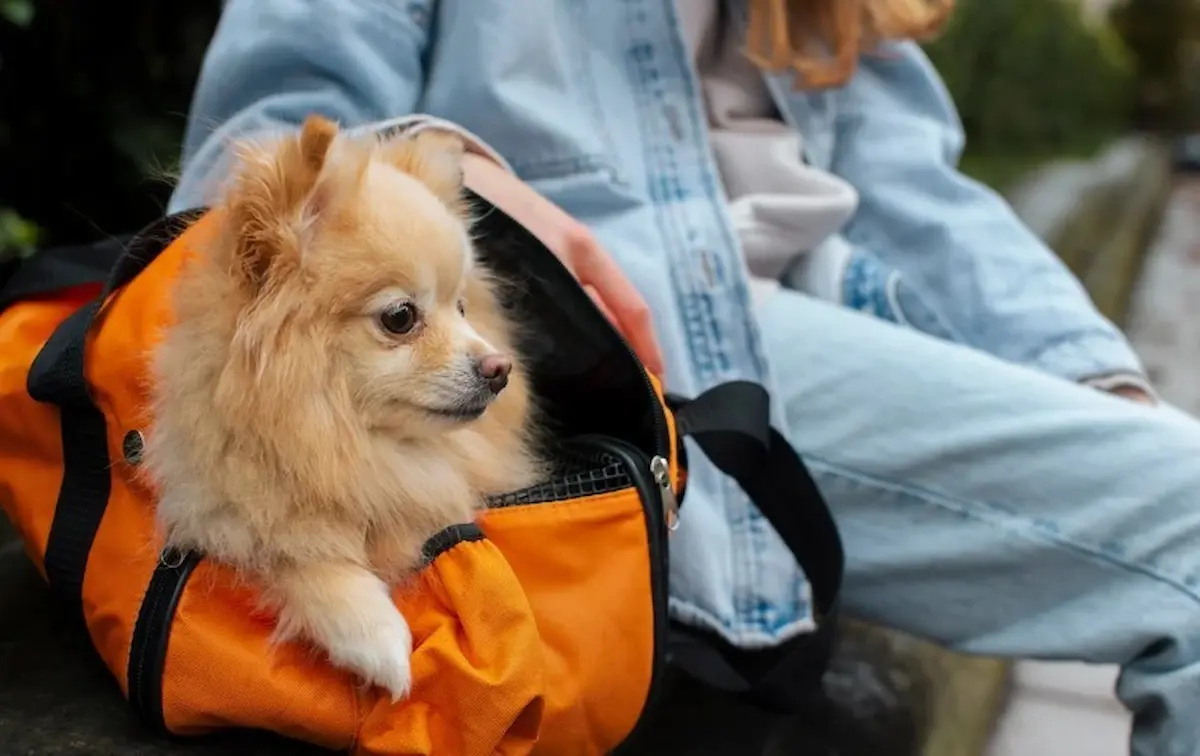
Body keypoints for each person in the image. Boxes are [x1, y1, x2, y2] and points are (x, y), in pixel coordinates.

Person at [170, 1, 1198, 753]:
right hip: (633, 343)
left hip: (823, 322)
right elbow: (253, 152)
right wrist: (469, 177)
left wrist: (1095, 375)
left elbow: (918, 194)